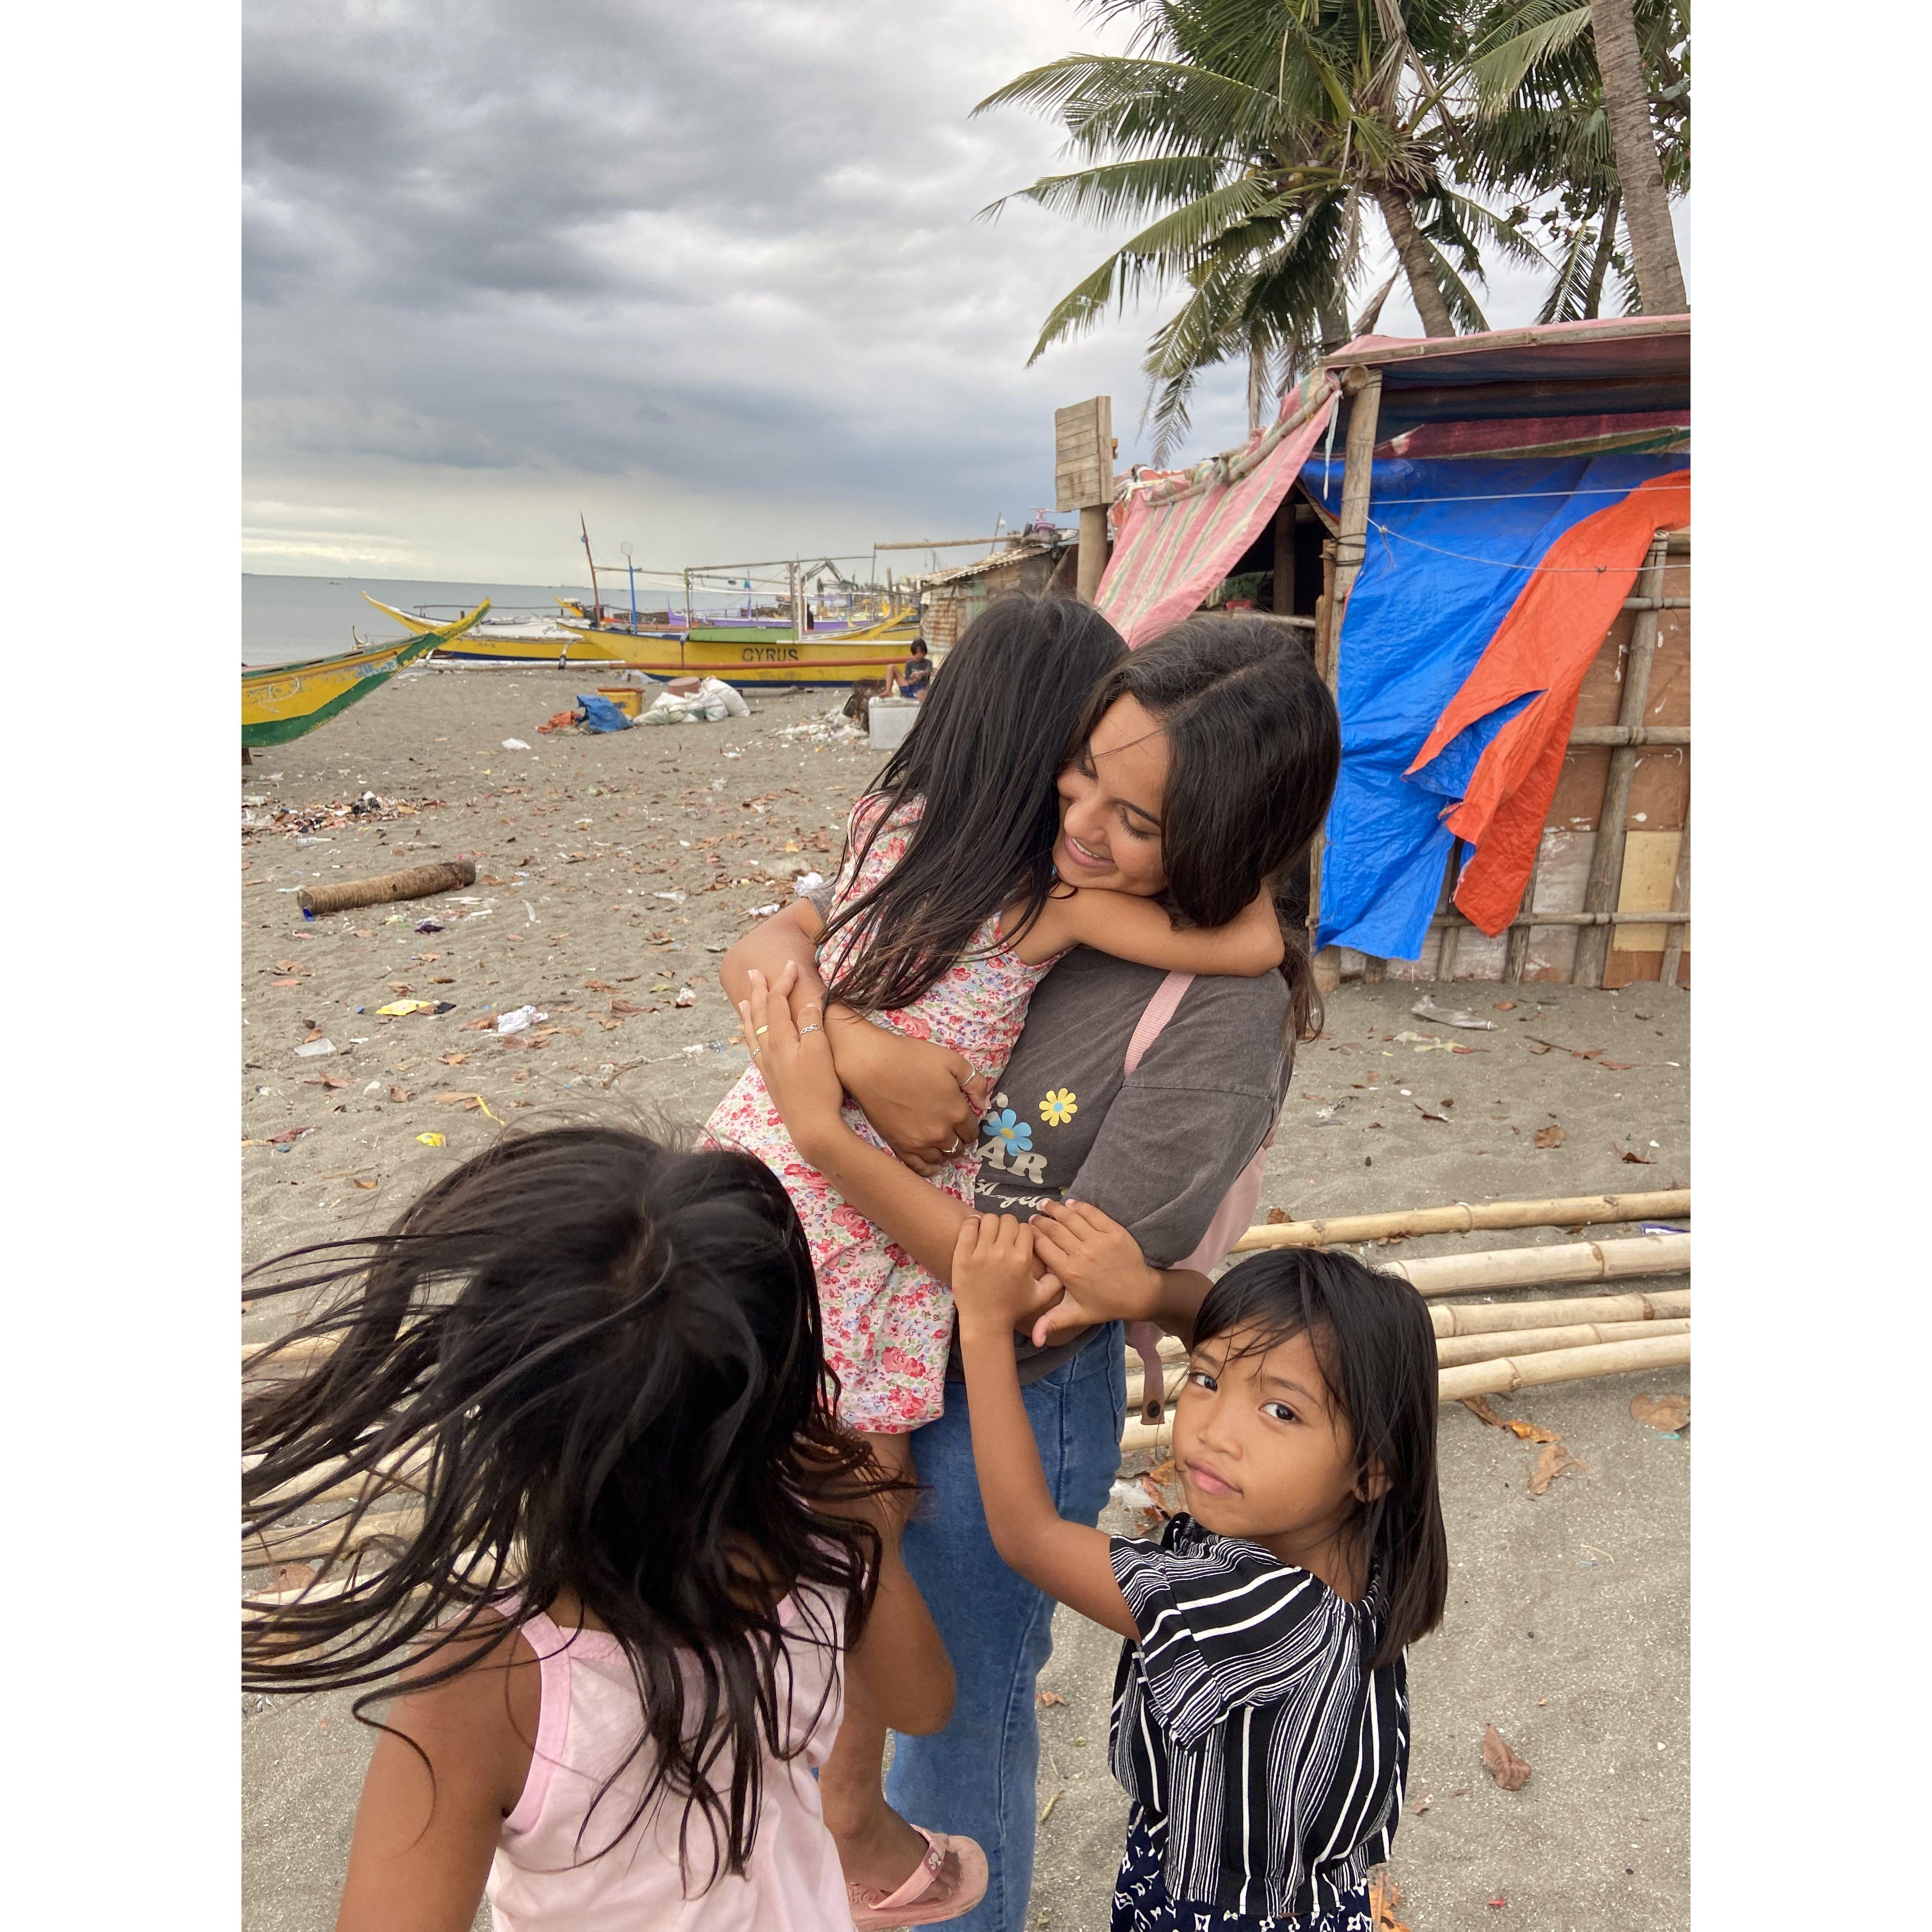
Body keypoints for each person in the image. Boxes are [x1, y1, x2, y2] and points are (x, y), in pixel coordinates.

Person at [724, 611, 1343, 1932]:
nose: (1083, 825)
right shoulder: (1022, 867)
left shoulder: (1215, 1018)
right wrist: (827, 1017)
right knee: (849, 1659)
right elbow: (823, 933)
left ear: (1227, 833)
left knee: (956, 1717)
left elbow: (1047, 1293)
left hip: (1002, 1386)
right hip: (852, 1313)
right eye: (1083, 775)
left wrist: (829, 1121)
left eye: (1137, 817)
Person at [241, 1125, 979, 1932]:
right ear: (780, 1389)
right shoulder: (816, 1550)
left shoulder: (477, 1691)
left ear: (508, 1427)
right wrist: (858, 1510)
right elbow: (923, 1702)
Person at [947, 1230, 1448, 1932]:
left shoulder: (1260, 1611)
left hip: (1216, 1909)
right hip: (1311, 1899)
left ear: (1371, 1467)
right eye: (1207, 1381)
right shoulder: (1362, 1540)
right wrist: (1150, 1292)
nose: (1214, 1428)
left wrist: (983, 1323)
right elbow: (1226, 1333)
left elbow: (1029, 1536)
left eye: (1281, 1412)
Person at [890, 636, 933, 701]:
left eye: (921, 653)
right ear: (913, 653)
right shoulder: (909, 664)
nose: (919, 655)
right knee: (891, 667)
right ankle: (888, 691)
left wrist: (920, 675)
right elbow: (908, 680)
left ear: (925, 653)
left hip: (922, 688)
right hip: (910, 687)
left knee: (922, 693)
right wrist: (913, 681)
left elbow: (928, 673)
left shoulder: (928, 662)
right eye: (917, 653)